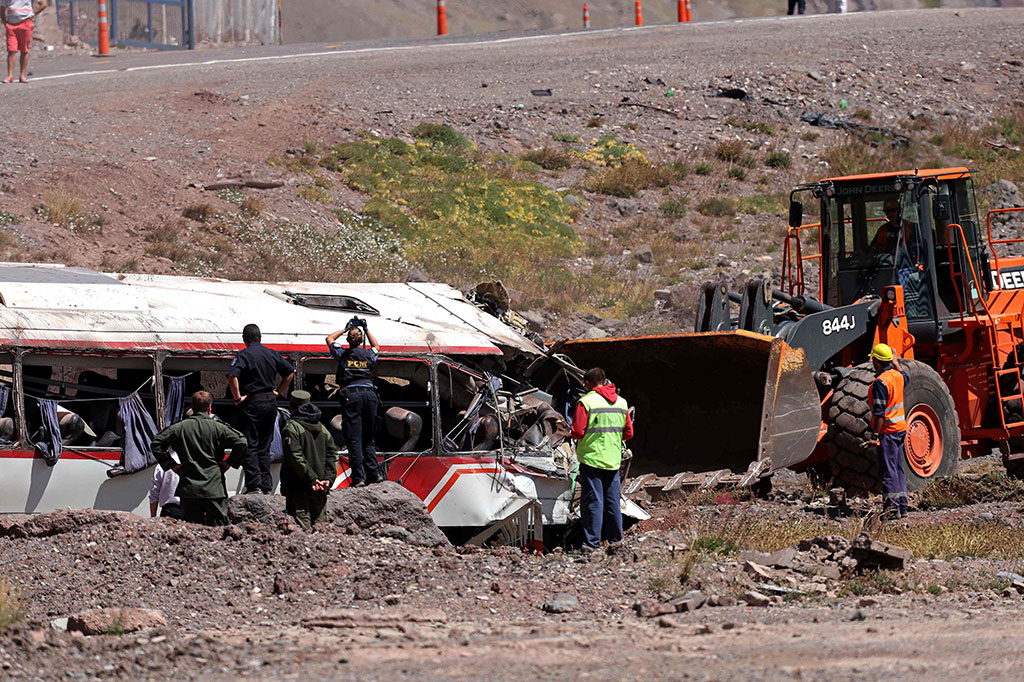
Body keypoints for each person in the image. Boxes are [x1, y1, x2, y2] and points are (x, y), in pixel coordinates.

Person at [152, 391, 248, 527]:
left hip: (189, 489)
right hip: (214, 488)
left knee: (193, 532)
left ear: (192, 407)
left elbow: (157, 443)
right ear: (210, 407)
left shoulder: (179, 428)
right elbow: (242, 442)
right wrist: (229, 463)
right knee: (219, 531)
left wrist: (172, 465)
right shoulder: (218, 427)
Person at [570, 367, 633, 551]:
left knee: (593, 502)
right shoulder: (621, 403)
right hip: (613, 461)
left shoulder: (586, 402)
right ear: (605, 381)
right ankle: (616, 541)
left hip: (591, 460)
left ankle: (591, 544)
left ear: (587, 383)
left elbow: (577, 432)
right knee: (613, 501)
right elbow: (628, 433)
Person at [227, 323, 295, 495]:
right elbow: (290, 373)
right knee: (265, 446)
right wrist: (278, 392)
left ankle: (254, 485)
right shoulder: (272, 354)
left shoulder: (244, 355)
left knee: (250, 445)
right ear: (260, 337)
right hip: (270, 403)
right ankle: (266, 485)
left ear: (244, 340)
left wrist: (236, 398)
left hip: (252, 404)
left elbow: (233, 376)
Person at [326, 317, 382, 487]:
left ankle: (358, 477)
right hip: (370, 395)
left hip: (352, 396)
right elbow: (377, 346)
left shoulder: (342, 354)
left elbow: (329, 339)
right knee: (368, 437)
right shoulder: (367, 355)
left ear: (348, 340)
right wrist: (366, 330)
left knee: (354, 438)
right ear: (361, 340)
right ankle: (374, 474)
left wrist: (345, 329)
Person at [281, 390, 339, 531]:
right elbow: (333, 455)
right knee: (321, 530)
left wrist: (312, 479)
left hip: (299, 487)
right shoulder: (323, 428)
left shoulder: (292, 428)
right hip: (320, 488)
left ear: (291, 407)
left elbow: (295, 457)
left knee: (301, 531)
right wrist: (328, 479)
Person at [865, 344, 909, 519]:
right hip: (900, 430)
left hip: (888, 432)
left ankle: (891, 509)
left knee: (888, 471)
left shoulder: (880, 383)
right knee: (898, 469)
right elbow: (906, 377)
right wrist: (896, 362)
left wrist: (875, 435)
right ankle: (902, 507)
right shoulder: (897, 376)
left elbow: (879, 413)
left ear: (876, 361)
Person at [2, 0, 44, 83]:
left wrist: (33, 14)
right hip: (11, 25)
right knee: (11, 50)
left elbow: (43, 4)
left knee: (24, 50)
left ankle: (22, 75)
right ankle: (10, 76)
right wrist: (5, 22)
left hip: (25, 23)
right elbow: (2, 8)